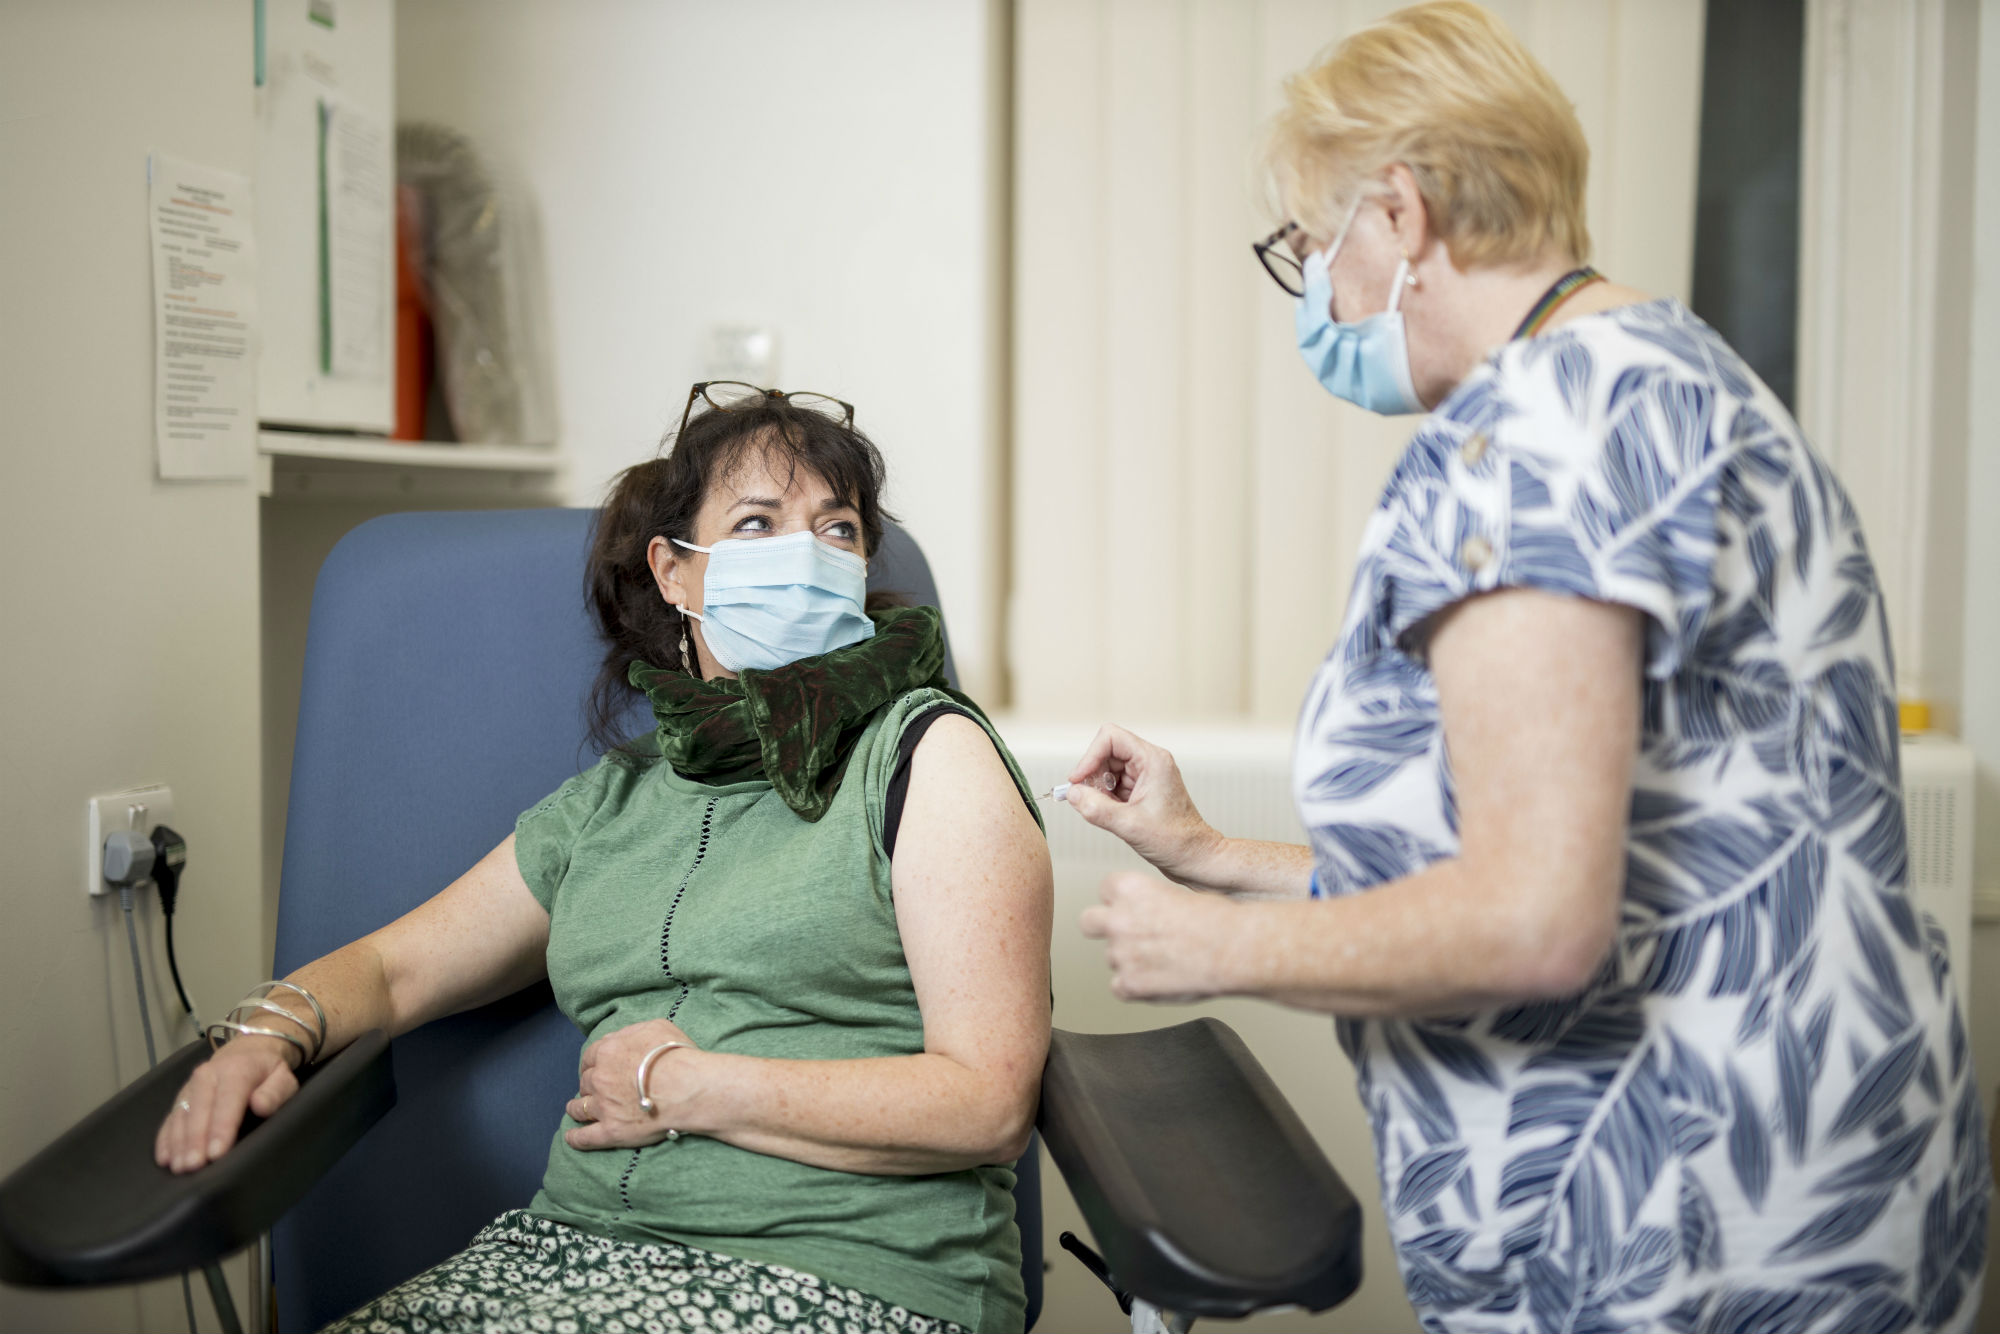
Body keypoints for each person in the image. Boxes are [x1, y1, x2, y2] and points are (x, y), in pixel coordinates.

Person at [1064, 4, 1987, 1331]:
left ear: (1401, 214)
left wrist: (1223, 943)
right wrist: (1212, 850)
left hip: (1673, 1228)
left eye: (1310, 248)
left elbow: (1536, 922)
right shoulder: (1677, 373)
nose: (1318, 295)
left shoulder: (1530, 434)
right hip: (1825, 1169)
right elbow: (1620, 857)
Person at [155, 383, 1054, 1334]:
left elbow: (987, 1102)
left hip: (850, 1274)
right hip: (568, 1261)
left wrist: (692, 1089)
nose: (805, 556)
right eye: (757, 524)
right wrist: (266, 1034)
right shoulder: (613, 803)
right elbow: (393, 968)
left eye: (837, 530)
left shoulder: (926, 754)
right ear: (675, 572)